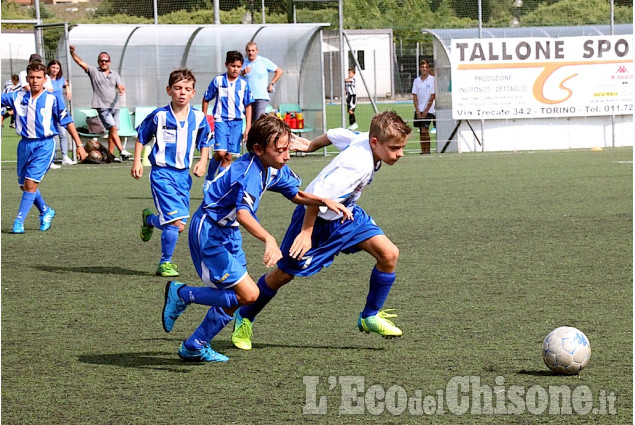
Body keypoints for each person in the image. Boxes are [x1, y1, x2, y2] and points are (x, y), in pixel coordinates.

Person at [161, 115, 353, 362]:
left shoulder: (272, 166)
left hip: (228, 233)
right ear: (259, 149)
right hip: (209, 231)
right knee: (249, 295)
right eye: (281, 150)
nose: (287, 155)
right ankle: (181, 294)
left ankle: (195, 344)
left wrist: (323, 200)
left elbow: (295, 194)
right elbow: (242, 213)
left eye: (288, 148)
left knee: (239, 295)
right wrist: (269, 239)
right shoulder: (250, 171)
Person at [230, 111, 412, 351]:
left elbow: (337, 134)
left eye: (401, 147)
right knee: (283, 274)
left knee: (389, 254)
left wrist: (311, 146)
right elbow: (317, 191)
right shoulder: (356, 165)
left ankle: (369, 316)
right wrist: (306, 233)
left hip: (346, 214)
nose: (400, 154)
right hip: (315, 218)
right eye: (395, 148)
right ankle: (245, 315)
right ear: (375, 142)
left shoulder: (365, 139)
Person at [131, 69, 212, 278]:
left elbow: (205, 142)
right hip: (162, 173)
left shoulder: (199, 117)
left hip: (183, 176)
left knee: (178, 226)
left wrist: (203, 161)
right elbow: (141, 137)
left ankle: (149, 220)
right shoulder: (159, 115)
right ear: (169, 90)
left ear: (193, 93)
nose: (182, 93)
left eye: (187, 89)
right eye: (177, 88)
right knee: (174, 222)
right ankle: (164, 263)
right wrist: (138, 162)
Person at [1, 61, 87, 234]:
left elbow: (67, 121)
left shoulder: (51, 99)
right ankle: (46, 211)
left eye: (38, 78)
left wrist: (79, 145)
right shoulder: (15, 97)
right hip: (24, 145)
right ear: (27, 78)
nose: (35, 81)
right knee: (25, 185)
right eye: (31, 77)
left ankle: (19, 221)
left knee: (31, 183)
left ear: (44, 79)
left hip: (45, 144)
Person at [69, 45, 132, 161]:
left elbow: (120, 85)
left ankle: (111, 156)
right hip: (102, 106)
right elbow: (80, 62)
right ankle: (122, 151)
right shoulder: (93, 71)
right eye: (101, 61)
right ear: (98, 62)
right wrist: (72, 53)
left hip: (115, 106)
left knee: (113, 131)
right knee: (112, 127)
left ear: (109, 62)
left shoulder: (114, 74)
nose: (104, 62)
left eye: (106, 61)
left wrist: (121, 89)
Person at [202, 50, 253, 180]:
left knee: (229, 156)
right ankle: (209, 179)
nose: (235, 69)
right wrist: (204, 118)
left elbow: (248, 105)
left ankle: (218, 185)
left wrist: (248, 127)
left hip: (237, 122)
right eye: (233, 66)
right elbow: (206, 98)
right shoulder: (218, 80)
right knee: (220, 152)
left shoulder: (243, 84)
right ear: (226, 65)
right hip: (221, 121)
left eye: (238, 66)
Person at [241, 42, 283, 123]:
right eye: (249, 51)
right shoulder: (243, 62)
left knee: (258, 121)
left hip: (261, 96)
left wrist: (271, 83)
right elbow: (235, 77)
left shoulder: (263, 61)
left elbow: (279, 71)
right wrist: (242, 73)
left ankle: (259, 135)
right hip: (247, 97)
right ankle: (250, 135)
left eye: (253, 50)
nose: (251, 53)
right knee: (249, 122)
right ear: (246, 51)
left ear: (257, 51)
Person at [47, 59, 76, 166]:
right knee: (52, 135)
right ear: (49, 68)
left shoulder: (61, 79)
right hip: (49, 110)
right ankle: (51, 159)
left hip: (60, 110)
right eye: (53, 67)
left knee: (62, 133)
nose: (55, 70)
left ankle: (65, 157)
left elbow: (66, 83)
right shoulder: (46, 80)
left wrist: (68, 88)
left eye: (57, 68)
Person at [412, 59, 435, 154]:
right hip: (419, 109)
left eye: (426, 67)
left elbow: (432, 96)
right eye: (422, 67)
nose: (424, 69)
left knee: (425, 130)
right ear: (419, 68)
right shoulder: (416, 81)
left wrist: (426, 111)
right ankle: (423, 150)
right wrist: (417, 110)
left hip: (429, 110)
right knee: (421, 131)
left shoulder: (432, 80)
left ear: (429, 68)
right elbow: (414, 96)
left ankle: (427, 150)